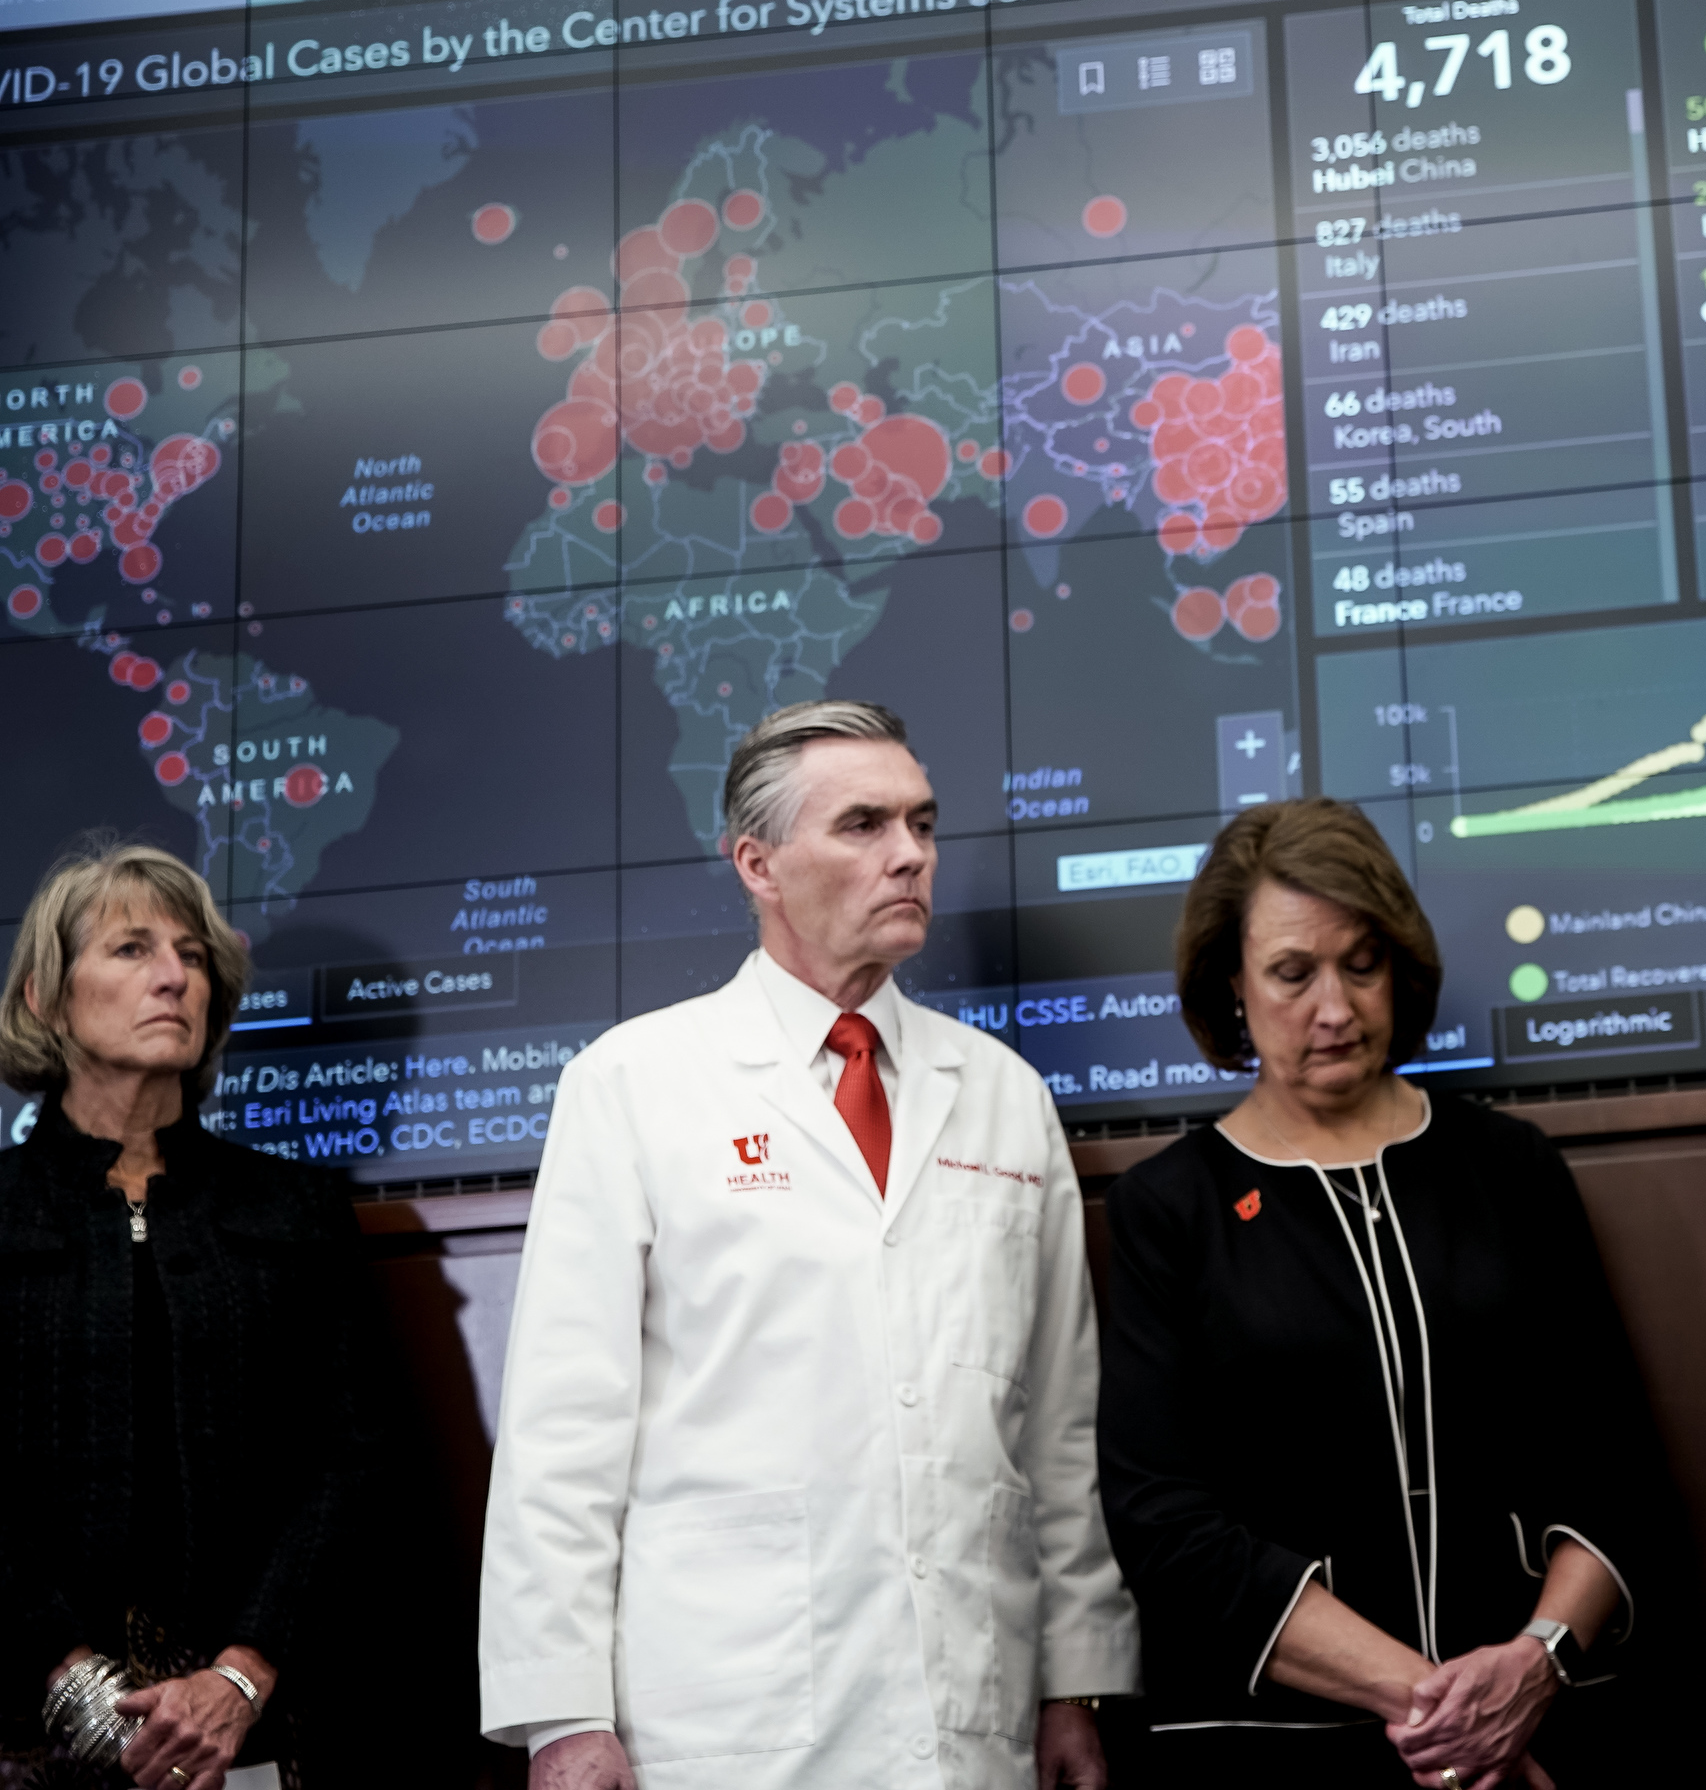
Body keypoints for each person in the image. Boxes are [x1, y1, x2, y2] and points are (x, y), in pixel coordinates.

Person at [477, 701, 1137, 1790]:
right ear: (758, 863)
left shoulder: (1007, 1098)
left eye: (922, 823)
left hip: (973, 1711)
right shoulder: (636, 1083)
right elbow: (564, 1427)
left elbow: (1058, 1432)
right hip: (725, 1714)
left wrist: (1075, 1682)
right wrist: (561, 1713)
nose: (910, 854)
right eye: (864, 824)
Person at [1097, 799, 1674, 1790]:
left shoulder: (1510, 1167)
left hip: (1539, 1733)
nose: (1335, 1006)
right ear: (1229, 982)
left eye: (1361, 963)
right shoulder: (1167, 1209)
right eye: (1292, 972)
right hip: (1282, 1748)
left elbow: (1613, 1461)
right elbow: (1165, 1522)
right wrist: (1445, 1708)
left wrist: (1533, 1664)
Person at [0, 843, 386, 1790]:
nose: (174, 977)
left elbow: (352, 1457)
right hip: (23, 1732)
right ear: (48, 997)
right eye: (131, 950)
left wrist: (240, 1677)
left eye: (194, 956)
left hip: (261, 1737)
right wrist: (74, 1685)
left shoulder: (295, 1210)